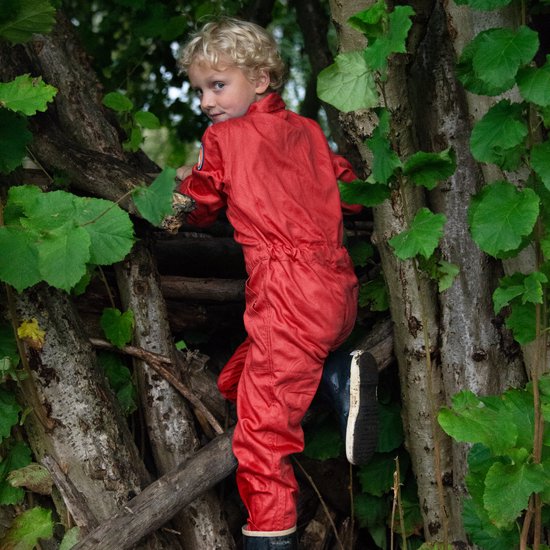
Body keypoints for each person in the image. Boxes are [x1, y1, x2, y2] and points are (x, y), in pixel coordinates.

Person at [175, 17, 378, 549]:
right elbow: (356, 194)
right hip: (337, 292)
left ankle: (269, 538)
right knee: (236, 383)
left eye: (218, 86)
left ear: (262, 79)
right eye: (200, 90)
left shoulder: (224, 138)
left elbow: (198, 205)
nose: (205, 102)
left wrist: (171, 199)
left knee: (263, 435)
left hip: (286, 296)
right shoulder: (310, 132)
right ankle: (336, 372)